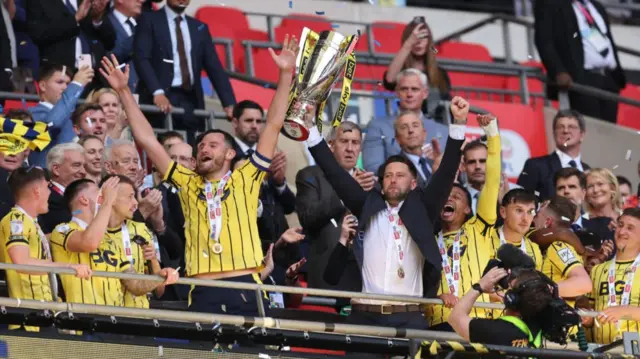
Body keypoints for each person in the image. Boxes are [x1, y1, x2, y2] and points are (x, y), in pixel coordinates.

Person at [99, 32, 298, 315]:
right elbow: (147, 140)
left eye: (213, 145)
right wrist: (123, 92)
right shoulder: (187, 181)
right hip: (202, 290)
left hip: (245, 284)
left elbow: (274, 123)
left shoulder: (248, 177)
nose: (203, 147)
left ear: (230, 154)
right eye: (201, 144)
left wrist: (286, 74)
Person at [316, 97, 469, 331]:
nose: (393, 180)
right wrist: (309, 134)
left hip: (408, 317)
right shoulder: (366, 205)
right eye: (388, 175)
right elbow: (333, 172)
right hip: (363, 316)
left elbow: (447, 170)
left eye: (400, 175)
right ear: (381, 182)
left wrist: (458, 123)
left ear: (414, 182)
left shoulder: (425, 208)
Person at [51, 177, 178, 307]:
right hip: (85, 320)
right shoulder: (63, 230)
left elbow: (135, 285)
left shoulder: (110, 238)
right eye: (100, 193)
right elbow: (89, 243)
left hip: (115, 320)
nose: (106, 195)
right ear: (84, 200)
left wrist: (160, 276)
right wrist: (107, 202)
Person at [428, 114, 501, 331]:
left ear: (469, 209)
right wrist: (435, 296)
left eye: (457, 197)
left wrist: (493, 135)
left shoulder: (480, 228)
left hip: (479, 322)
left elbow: (492, 180)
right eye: (445, 196)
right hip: (438, 325)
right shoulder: (427, 239)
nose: (448, 199)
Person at [0, 167, 91, 331]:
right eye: (47, 187)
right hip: (29, 319)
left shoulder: (31, 223)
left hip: (43, 314)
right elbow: (21, 262)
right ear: (37, 190)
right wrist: (69, 267)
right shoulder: (16, 220)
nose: (50, 193)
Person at [133, 0, 236, 138]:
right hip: (159, 100)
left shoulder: (199, 27)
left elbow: (214, 67)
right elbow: (141, 59)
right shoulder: (149, 19)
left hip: (191, 100)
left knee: (192, 148)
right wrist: (157, 91)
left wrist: (229, 103)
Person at [296, 121, 370, 293]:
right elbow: (308, 217)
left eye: (355, 142)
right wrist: (348, 192)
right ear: (330, 145)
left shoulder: (370, 182)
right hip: (327, 274)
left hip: (364, 277)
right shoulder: (310, 175)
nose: (350, 148)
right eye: (344, 141)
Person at [448, 258, 576, 348]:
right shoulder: (538, 325)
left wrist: (479, 286)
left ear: (511, 298)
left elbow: (455, 318)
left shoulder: (498, 330)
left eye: (509, 288)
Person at [534, 0, 626, 123]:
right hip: (581, 80)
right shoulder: (550, 4)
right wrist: (558, 71)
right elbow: (544, 41)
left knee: (608, 133)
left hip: (608, 80)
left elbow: (607, 40)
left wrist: (616, 75)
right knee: (589, 130)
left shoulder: (596, 6)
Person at [362, 68, 448, 174]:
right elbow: (373, 168)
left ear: (425, 93)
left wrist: (437, 161)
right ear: (397, 92)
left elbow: (454, 172)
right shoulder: (378, 127)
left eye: (415, 89)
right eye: (404, 89)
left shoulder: (443, 131)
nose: (409, 94)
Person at [26, 0, 115, 94]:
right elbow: (38, 34)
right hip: (61, 74)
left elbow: (111, 41)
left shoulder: (86, 1)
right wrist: (75, 19)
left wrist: (97, 19)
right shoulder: (40, 2)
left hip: (93, 77)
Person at [582, 208, 640, 344]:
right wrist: (588, 319)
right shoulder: (597, 270)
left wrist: (625, 311)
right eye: (620, 225)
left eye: (630, 228)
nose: (622, 231)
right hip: (600, 350)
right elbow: (591, 310)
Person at [28, 64, 93, 167]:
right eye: (60, 82)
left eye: (68, 83)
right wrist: (76, 84)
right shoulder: (32, 113)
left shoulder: (73, 116)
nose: (65, 88)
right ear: (43, 86)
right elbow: (53, 123)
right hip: (46, 178)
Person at [517, 110, 591, 201]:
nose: (565, 130)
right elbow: (521, 202)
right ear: (554, 134)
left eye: (571, 127)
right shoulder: (535, 166)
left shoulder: (588, 170)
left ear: (582, 135)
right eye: (560, 127)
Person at [531, 196, 592, 305]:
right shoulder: (564, 244)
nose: (532, 219)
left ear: (548, 222)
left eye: (537, 215)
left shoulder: (558, 247)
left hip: (554, 319)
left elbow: (584, 283)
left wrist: (540, 291)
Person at [382, 18, 450, 114]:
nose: (418, 41)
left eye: (423, 37)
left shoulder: (440, 74)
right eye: (415, 37)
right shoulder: (401, 71)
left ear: (429, 41)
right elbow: (389, 80)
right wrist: (408, 45)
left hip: (434, 125)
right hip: (406, 123)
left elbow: (446, 105)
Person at [39, 143, 86, 234]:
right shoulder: (46, 199)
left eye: (84, 166)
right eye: (76, 165)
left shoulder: (82, 194)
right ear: (56, 169)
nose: (83, 172)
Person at [491, 189, 543, 270]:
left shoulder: (534, 249)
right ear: (503, 212)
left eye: (530, 212)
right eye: (519, 210)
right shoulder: (486, 240)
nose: (525, 219)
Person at [107, 0, 144, 91]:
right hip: (116, 91)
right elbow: (111, 55)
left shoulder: (141, 23)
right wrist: (138, 36)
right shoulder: (104, 22)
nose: (142, 1)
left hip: (141, 92)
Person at [394, 111, 437, 187]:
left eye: (415, 125)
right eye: (404, 127)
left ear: (424, 134)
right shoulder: (394, 168)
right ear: (397, 139)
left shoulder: (436, 163)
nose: (410, 130)